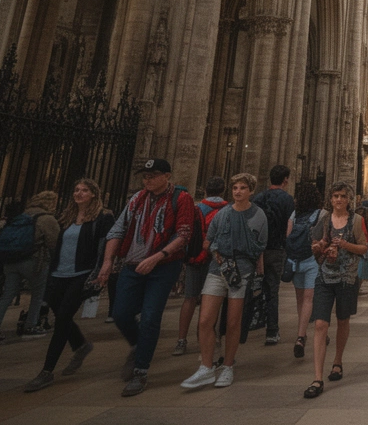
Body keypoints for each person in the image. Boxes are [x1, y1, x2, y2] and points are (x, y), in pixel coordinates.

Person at [95, 158, 197, 397]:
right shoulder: (136, 200)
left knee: (151, 316)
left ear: (167, 176)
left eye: (153, 175)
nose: (148, 180)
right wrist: (108, 261)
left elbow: (183, 234)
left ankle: (141, 371)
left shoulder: (181, 199)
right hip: (132, 264)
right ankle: (139, 345)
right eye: (145, 176)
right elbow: (118, 230)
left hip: (163, 267)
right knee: (120, 313)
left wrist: (158, 257)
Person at [22, 180, 114, 392]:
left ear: (94, 194)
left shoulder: (103, 217)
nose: (78, 193)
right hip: (58, 274)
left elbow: (104, 246)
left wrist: (102, 270)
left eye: (84, 190)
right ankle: (81, 345)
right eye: (76, 190)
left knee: (62, 319)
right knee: (60, 314)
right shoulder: (66, 217)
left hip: (81, 275)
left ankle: (46, 371)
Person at [181, 173, 267, 390]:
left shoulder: (259, 216)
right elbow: (208, 240)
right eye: (235, 188)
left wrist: (256, 272)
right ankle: (206, 367)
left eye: (242, 188)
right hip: (217, 270)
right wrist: (216, 250)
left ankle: (227, 365)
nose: (238, 191)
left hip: (242, 274)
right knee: (205, 320)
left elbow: (260, 247)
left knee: (232, 323)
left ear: (251, 191)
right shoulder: (223, 214)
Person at [303, 182, 368, 399]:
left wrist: (345, 245)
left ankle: (338, 361)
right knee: (320, 324)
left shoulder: (357, 221)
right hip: (324, 277)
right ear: (330, 199)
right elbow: (315, 243)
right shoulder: (323, 221)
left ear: (349, 199)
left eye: (342, 196)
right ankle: (317, 378)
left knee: (342, 321)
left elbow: (364, 247)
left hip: (347, 278)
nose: (338, 200)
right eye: (335, 196)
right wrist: (318, 247)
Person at [0, 191, 59, 345]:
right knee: (37, 294)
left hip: (11, 260)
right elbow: (55, 244)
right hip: (33, 261)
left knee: (7, 295)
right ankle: (31, 326)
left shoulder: (22, 216)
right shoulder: (47, 219)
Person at [173, 177, 229, 357]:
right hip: (216, 259)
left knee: (189, 298)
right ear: (223, 190)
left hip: (196, 257)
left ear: (205, 190)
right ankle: (208, 336)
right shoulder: (228, 209)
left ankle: (181, 340)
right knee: (213, 300)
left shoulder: (196, 208)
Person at [252, 164, 294, 345]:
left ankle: (246, 325)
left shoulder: (258, 197)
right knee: (272, 290)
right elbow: (289, 228)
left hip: (256, 251)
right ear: (285, 180)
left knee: (250, 289)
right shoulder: (288, 200)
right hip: (276, 249)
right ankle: (272, 330)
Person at [287, 181, 324, 358]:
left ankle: (303, 333)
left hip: (296, 260)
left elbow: (287, 236)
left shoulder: (294, 214)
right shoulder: (322, 214)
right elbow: (326, 237)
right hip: (312, 260)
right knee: (310, 299)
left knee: (301, 300)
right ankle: (302, 336)